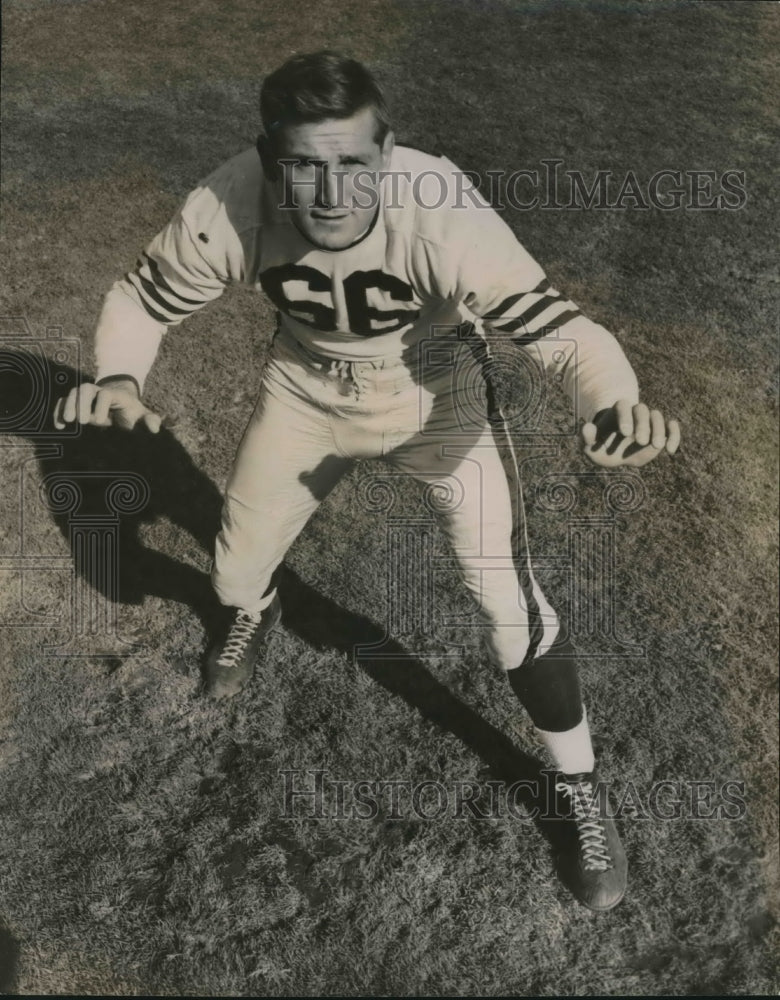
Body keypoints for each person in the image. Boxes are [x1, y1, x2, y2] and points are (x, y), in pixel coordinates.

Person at [54, 51, 680, 911]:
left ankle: (576, 786)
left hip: (438, 393)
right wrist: (121, 376)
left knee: (506, 599)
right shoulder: (230, 201)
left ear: (387, 152)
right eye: (305, 165)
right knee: (234, 574)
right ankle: (258, 610)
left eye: (353, 162)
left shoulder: (441, 209)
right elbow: (140, 298)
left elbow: (557, 325)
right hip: (305, 389)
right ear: (271, 160)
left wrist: (614, 400)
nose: (332, 189)